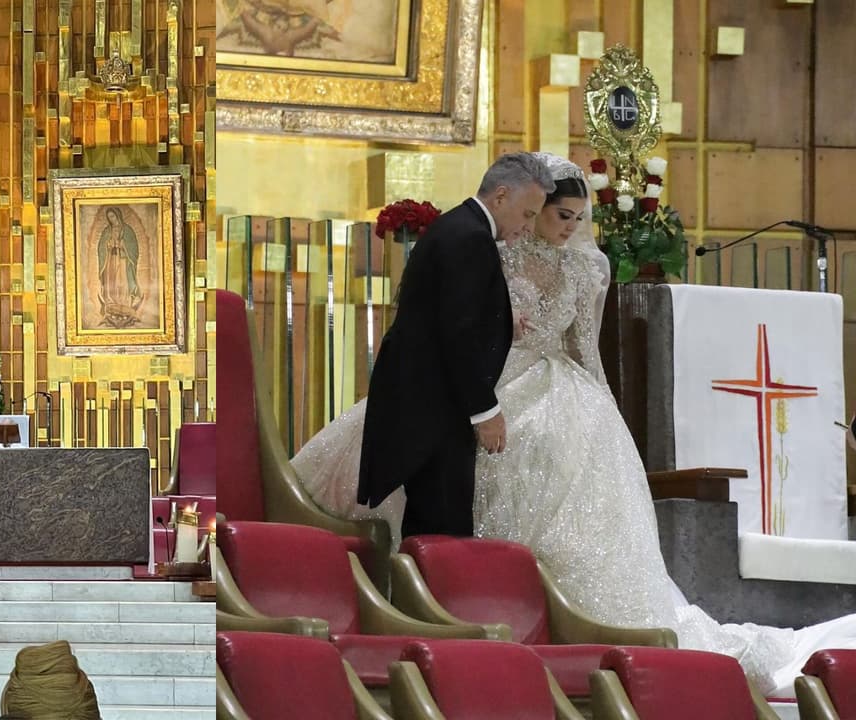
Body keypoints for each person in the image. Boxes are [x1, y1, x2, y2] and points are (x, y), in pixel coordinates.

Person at [292, 151, 856, 696]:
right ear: (528, 208)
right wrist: (488, 391)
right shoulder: (494, 247)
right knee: (441, 484)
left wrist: (600, 412)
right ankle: (451, 608)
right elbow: (461, 327)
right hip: (477, 386)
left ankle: (533, 615)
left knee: (553, 463)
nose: (566, 228)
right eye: (557, 216)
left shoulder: (587, 267)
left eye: (577, 219)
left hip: (551, 383)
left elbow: (583, 348)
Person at [356, 152, 553, 541]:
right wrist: (486, 411)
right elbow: (456, 334)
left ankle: (425, 601)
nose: (528, 227)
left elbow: (444, 311)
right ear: (500, 196)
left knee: (437, 524)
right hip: (435, 411)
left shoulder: (459, 228)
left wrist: (500, 320)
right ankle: (430, 603)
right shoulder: (470, 238)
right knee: (443, 530)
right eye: (528, 214)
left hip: (427, 403)